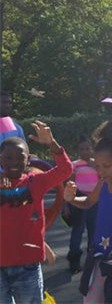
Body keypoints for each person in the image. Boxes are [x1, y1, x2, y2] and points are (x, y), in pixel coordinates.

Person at [64, 121, 112, 303]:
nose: (101, 171)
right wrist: (72, 199)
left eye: (106, 166)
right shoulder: (104, 183)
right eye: (98, 166)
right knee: (91, 300)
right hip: (99, 258)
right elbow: (89, 202)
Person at [0, 121, 73, 304]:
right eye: (8, 158)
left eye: (19, 157)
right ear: (0, 158)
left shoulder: (36, 182)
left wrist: (52, 143)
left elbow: (65, 170)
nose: (14, 162)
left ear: (28, 159)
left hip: (28, 266)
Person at [64, 135, 100, 273]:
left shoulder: (97, 164)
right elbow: (69, 185)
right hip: (78, 200)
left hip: (95, 200)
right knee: (77, 230)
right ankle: (74, 259)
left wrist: (96, 167)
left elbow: (103, 180)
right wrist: (66, 204)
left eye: (87, 148)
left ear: (92, 149)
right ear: (78, 151)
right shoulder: (75, 165)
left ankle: (92, 260)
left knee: (94, 230)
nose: (85, 151)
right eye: (82, 149)